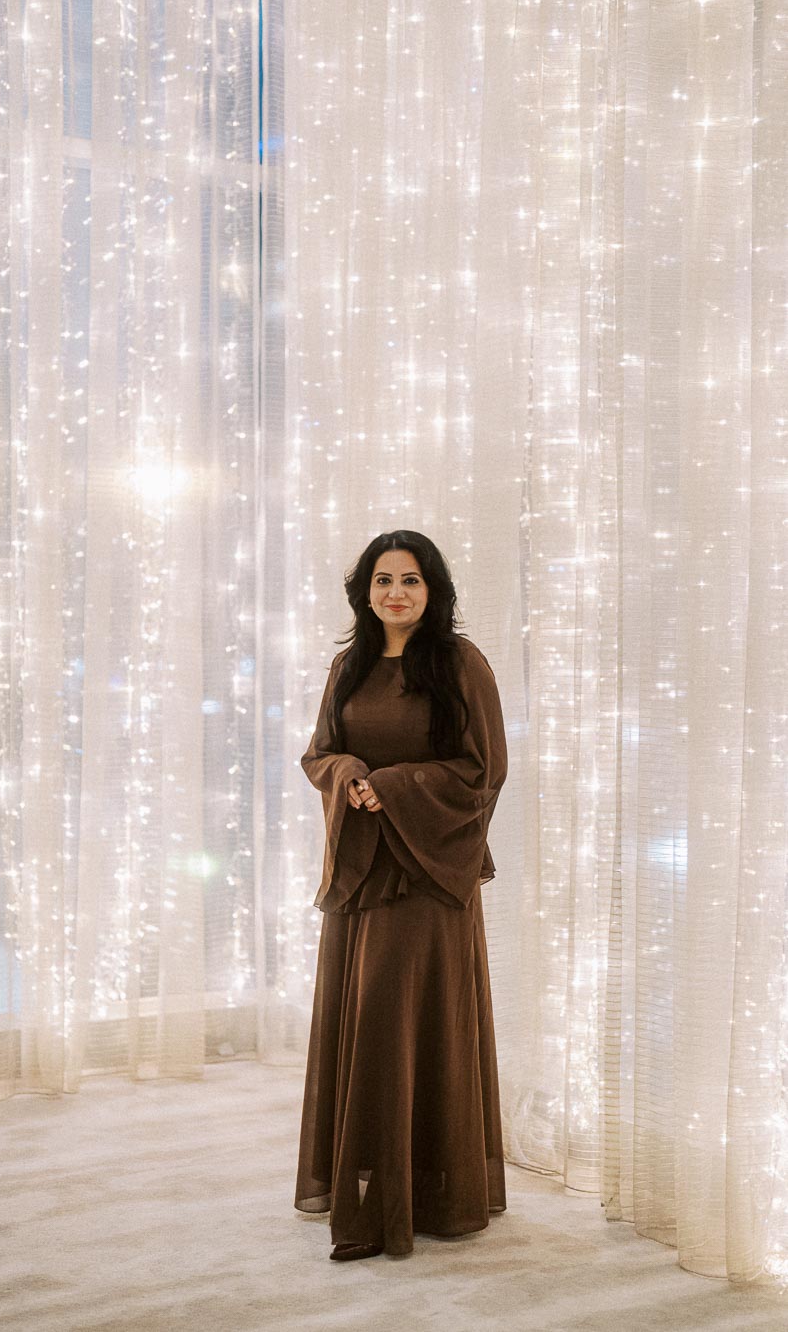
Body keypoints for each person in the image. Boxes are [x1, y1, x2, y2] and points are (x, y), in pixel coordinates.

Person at [294, 529, 508, 1261]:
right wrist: (349, 773)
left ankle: (428, 1193)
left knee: (408, 1024)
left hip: (427, 874)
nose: (396, 593)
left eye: (410, 580)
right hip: (359, 873)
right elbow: (316, 752)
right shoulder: (348, 667)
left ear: (432, 588)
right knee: (363, 1024)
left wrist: (392, 788)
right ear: (364, 592)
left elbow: (483, 770)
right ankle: (375, 1187)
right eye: (383, 580)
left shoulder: (459, 664)